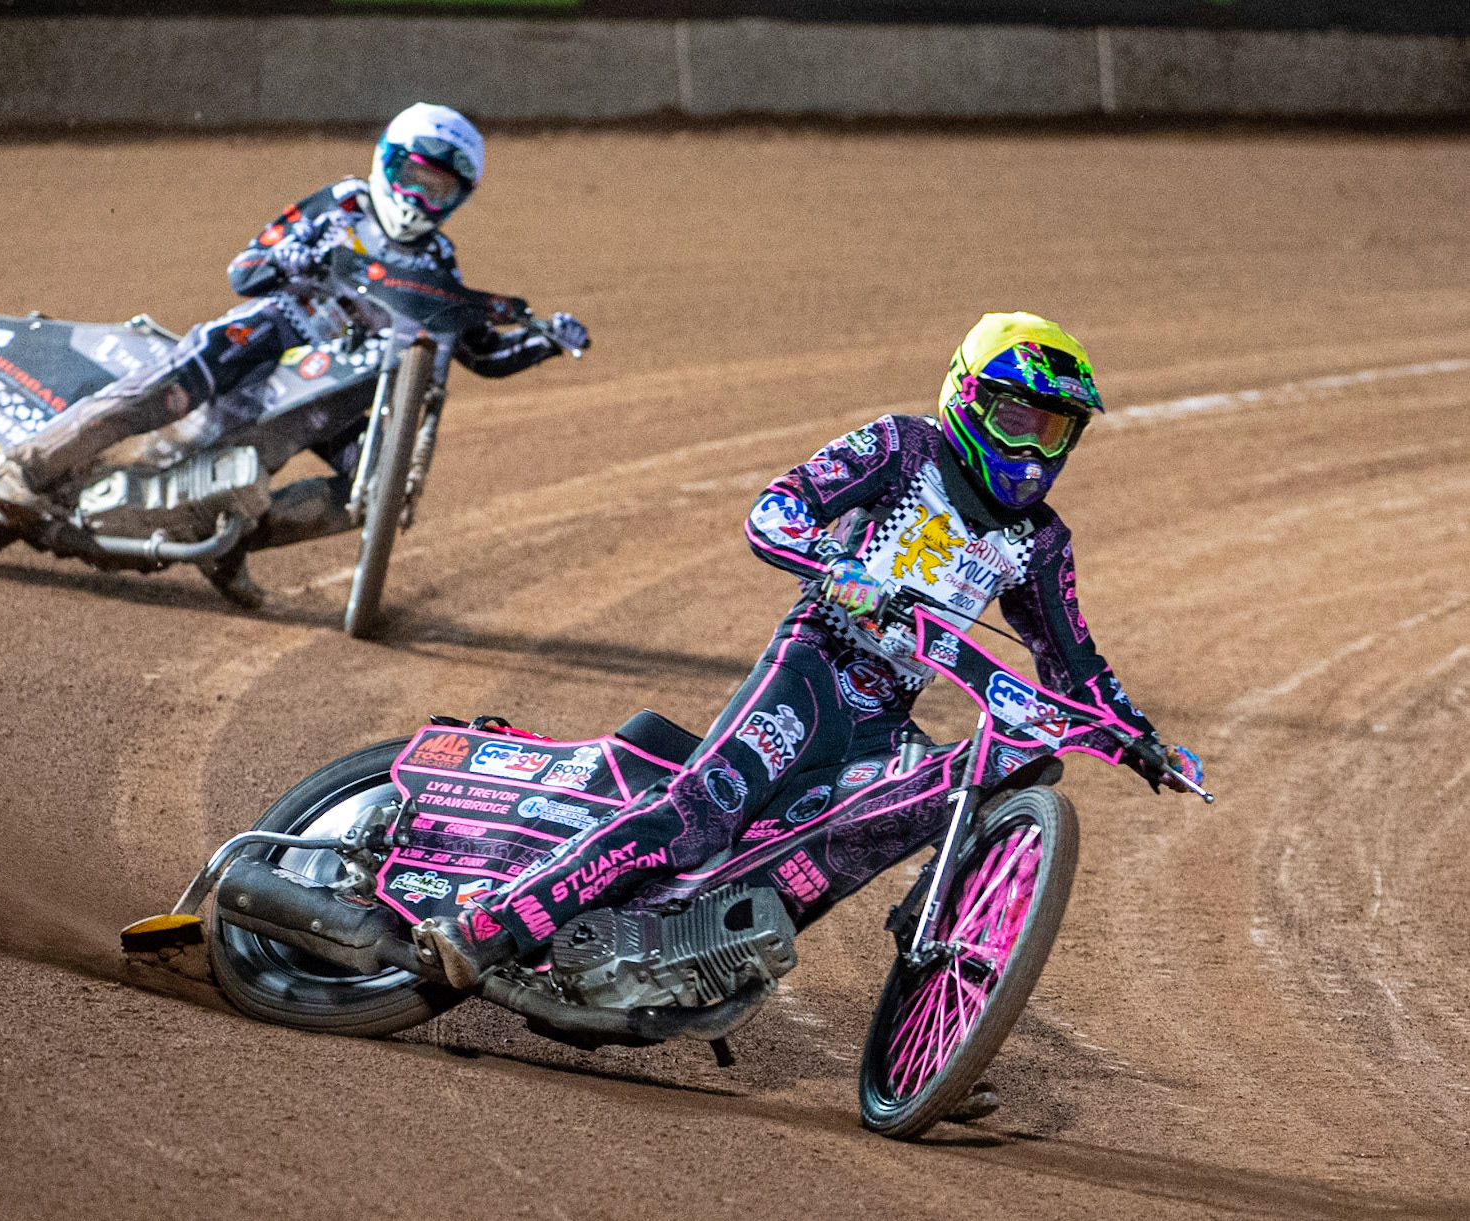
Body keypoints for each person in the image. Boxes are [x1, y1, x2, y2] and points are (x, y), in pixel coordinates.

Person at [416, 312, 1202, 987]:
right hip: (812, 667)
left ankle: (944, 1006)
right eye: (1016, 420)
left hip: (885, 715)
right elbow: (775, 509)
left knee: (912, 813)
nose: (1032, 449)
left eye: (1054, 429)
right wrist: (837, 568)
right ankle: (488, 925)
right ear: (967, 400)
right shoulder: (902, 447)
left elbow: (1076, 667)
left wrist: (1143, 743)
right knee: (700, 816)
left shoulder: (1042, 541)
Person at [0, 103, 589, 597]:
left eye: (440, 192)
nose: (419, 200)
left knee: (372, 493)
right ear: (386, 163)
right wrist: (287, 260)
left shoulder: (438, 262)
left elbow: (480, 353)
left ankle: (225, 540)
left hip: (345, 381)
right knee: (168, 392)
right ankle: (24, 468)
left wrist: (544, 342)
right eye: (413, 180)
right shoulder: (341, 203)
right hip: (276, 331)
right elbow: (244, 270)